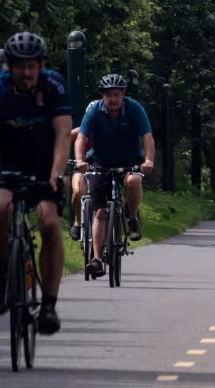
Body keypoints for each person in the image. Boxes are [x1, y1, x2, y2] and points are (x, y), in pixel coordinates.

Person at [0, 32, 71, 335]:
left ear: (41, 66)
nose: (26, 73)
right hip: (6, 159)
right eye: (20, 66)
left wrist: (57, 171)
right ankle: (5, 276)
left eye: (32, 66)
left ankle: (48, 306)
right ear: (10, 66)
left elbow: (63, 133)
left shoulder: (54, 86)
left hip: (44, 161)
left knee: (49, 223)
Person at [72, 74, 155, 277]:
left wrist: (149, 160)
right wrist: (80, 160)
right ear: (103, 96)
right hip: (100, 162)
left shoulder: (134, 108)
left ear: (124, 94)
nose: (112, 99)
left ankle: (132, 218)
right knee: (100, 212)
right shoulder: (94, 110)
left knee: (134, 181)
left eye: (116, 95)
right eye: (108, 95)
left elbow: (147, 136)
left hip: (129, 161)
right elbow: (81, 137)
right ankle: (97, 259)